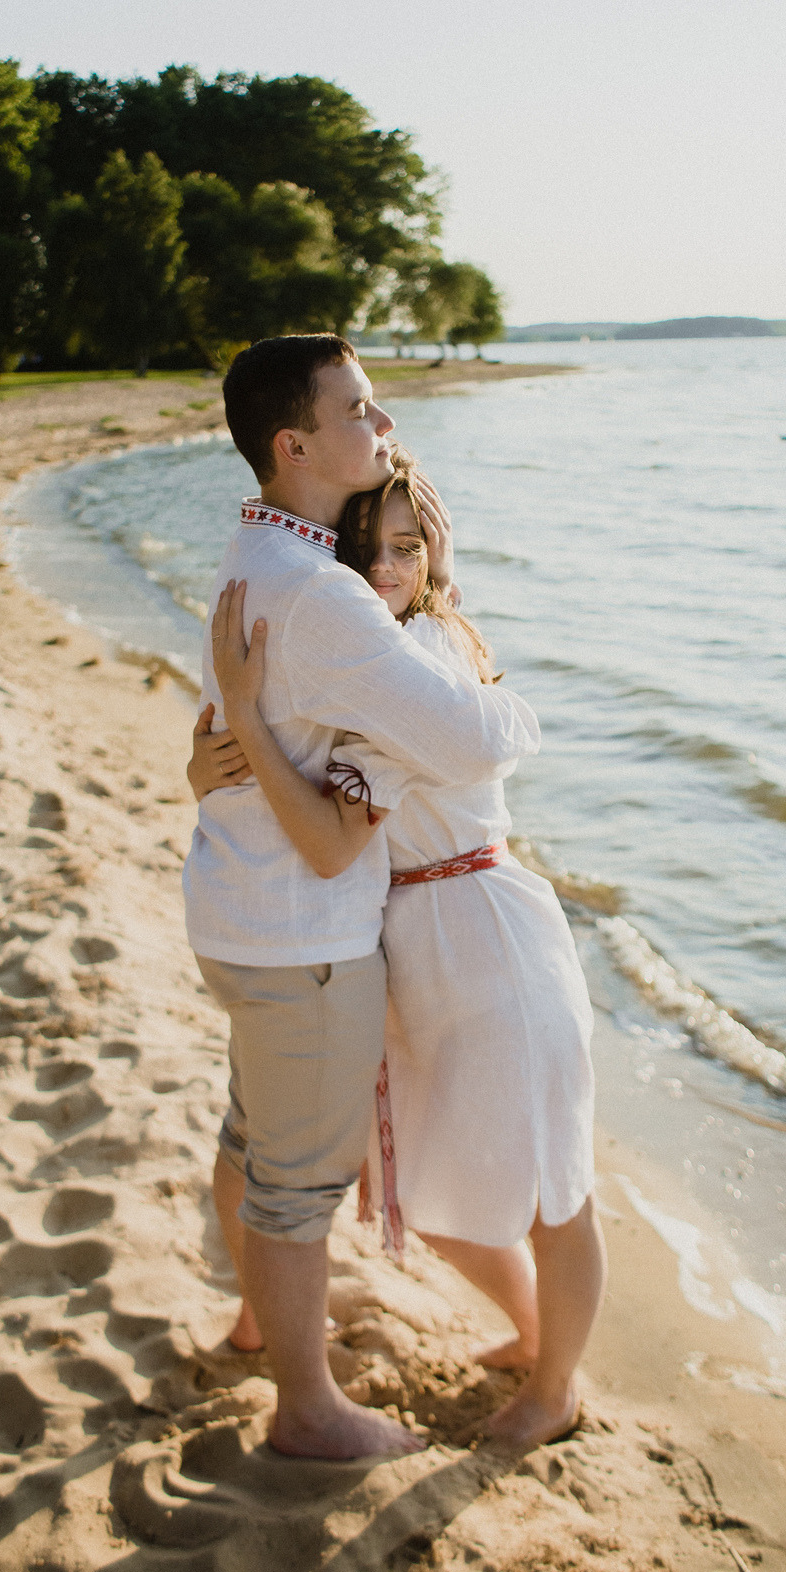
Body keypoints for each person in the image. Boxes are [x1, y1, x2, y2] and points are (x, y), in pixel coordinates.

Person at [194, 448, 606, 1449]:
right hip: (419, 946)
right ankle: (529, 1338)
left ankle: (555, 1387)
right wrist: (222, 761)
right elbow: (311, 775)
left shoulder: (415, 654)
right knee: (436, 1192)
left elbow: (334, 834)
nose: (384, 570)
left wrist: (245, 729)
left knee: (553, 1183)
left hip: (484, 935)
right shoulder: (371, 657)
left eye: (407, 549)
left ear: (435, 555)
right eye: (364, 550)